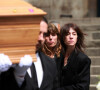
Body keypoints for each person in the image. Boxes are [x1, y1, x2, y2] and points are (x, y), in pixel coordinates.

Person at [0, 16, 59, 90]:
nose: (41, 38)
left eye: (44, 34)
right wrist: (19, 76)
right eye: (37, 32)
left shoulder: (50, 63)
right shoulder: (8, 62)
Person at [58, 23, 91, 90]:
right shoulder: (58, 57)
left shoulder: (83, 59)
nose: (71, 37)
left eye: (74, 34)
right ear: (63, 38)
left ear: (77, 38)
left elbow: (83, 87)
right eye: (67, 34)